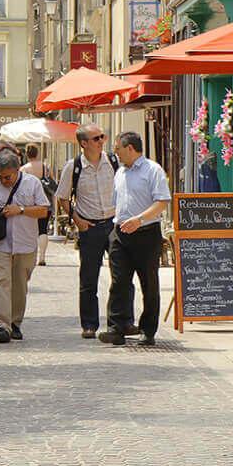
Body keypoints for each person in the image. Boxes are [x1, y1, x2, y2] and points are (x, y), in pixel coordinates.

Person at [100, 132, 171, 347]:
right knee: (119, 281)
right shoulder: (120, 172)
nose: (115, 152)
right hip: (120, 233)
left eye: (118, 148)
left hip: (146, 233)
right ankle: (116, 328)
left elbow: (162, 202)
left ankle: (148, 330)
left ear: (130, 148)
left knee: (148, 283)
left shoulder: (153, 170)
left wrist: (139, 220)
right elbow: (117, 202)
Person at [54, 123, 119, 339]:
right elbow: (62, 197)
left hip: (113, 224)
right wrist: (77, 220)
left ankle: (119, 322)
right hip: (89, 227)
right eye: (97, 138)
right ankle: (89, 325)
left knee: (121, 275)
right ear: (84, 143)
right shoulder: (73, 167)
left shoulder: (113, 162)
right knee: (89, 279)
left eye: (102, 136)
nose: (102, 141)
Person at [0, 151, 49, 343]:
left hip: (25, 244)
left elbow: (43, 210)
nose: (4, 180)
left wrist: (21, 210)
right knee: (1, 282)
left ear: (17, 170)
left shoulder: (32, 183)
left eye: (7, 177)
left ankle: (15, 323)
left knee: (19, 286)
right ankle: (2, 326)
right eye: (1, 176)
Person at [22, 143, 54, 265]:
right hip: (45, 202)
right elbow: (52, 182)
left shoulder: (24, 169)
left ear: (27, 154)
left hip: (30, 203)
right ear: (38, 153)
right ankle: (42, 256)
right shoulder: (45, 167)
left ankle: (31, 256)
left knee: (29, 230)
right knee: (43, 229)